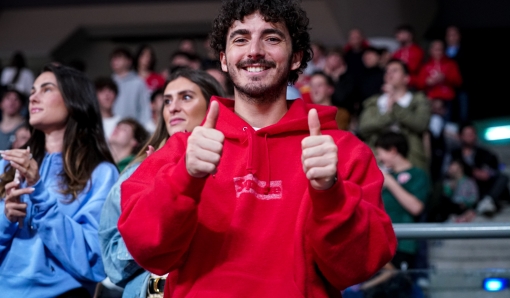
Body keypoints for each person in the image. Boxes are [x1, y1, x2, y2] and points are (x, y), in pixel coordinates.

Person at [118, 1, 397, 297]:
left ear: (295, 58)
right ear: (224, 60)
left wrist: (331, 193)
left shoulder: (339, 150)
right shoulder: (185, 150)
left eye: (272, 38)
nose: (254, 51)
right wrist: (184, 177)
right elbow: (146, 249)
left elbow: (357, 267)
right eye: (240, 39)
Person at [99, 68, 225, 298]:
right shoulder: (137, 171)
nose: (173, 107)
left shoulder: (237, 165)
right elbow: (112, 265)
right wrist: (156, 202)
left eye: (186, 97)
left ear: (212, 105)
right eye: (167, 101)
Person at [0, 64, 118, 297]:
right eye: (33, 90)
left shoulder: (101, 174)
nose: (33, 96)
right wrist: (5, 218)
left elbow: (95, 260)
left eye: (46, 89)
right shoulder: (6, 165)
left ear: (74, 100)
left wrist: (40, 192)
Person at [359, 131, 429, 298]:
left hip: (402, 245)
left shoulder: (418, 175)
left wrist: (390, 182)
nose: (378, 158)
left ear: (392, 150)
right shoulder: (381, 177)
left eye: (380, 152)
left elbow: (416, 207)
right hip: (377, 244)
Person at [358, 59, 431, 171]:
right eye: (387, 71)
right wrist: (388, 116)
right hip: (378, 159)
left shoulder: (418, 100)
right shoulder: (374, 101)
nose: (389, 74)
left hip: (409, 158)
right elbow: (364, 127)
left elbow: (420, 124)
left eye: (395, 70)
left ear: (406, 78)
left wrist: (395, 105)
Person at [448, 123, 510, 216]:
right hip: (463, 187)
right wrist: (471, 172)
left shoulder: (485, 153)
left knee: (503, 177)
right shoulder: (454, 154)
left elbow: (494, 168)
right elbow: (448, 170)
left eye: (472, 134)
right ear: (460, 136)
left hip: (483, 187)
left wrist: (486, 173)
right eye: (467, 134)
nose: (470, 137)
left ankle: (488, 200)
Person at [416, 40, 462, 119]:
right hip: (431, 99)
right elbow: (419, 84)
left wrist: (445, 78)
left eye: (441, 49)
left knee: (448, 125)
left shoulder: (451, 64)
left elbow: (458, 81)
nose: (439, 52)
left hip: (447, 99)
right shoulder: (426, 66)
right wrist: (428, 81)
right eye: (436, 49)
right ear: (431, 51)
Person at [110, 47, 152, 127]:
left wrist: (141, 129)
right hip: (111, 129)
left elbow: (145, 108)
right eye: (113, 58)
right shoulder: (109, 83)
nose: (115, 61)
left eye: (119, 57)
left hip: (132, 129)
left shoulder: (138, 82)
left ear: (129, 61)